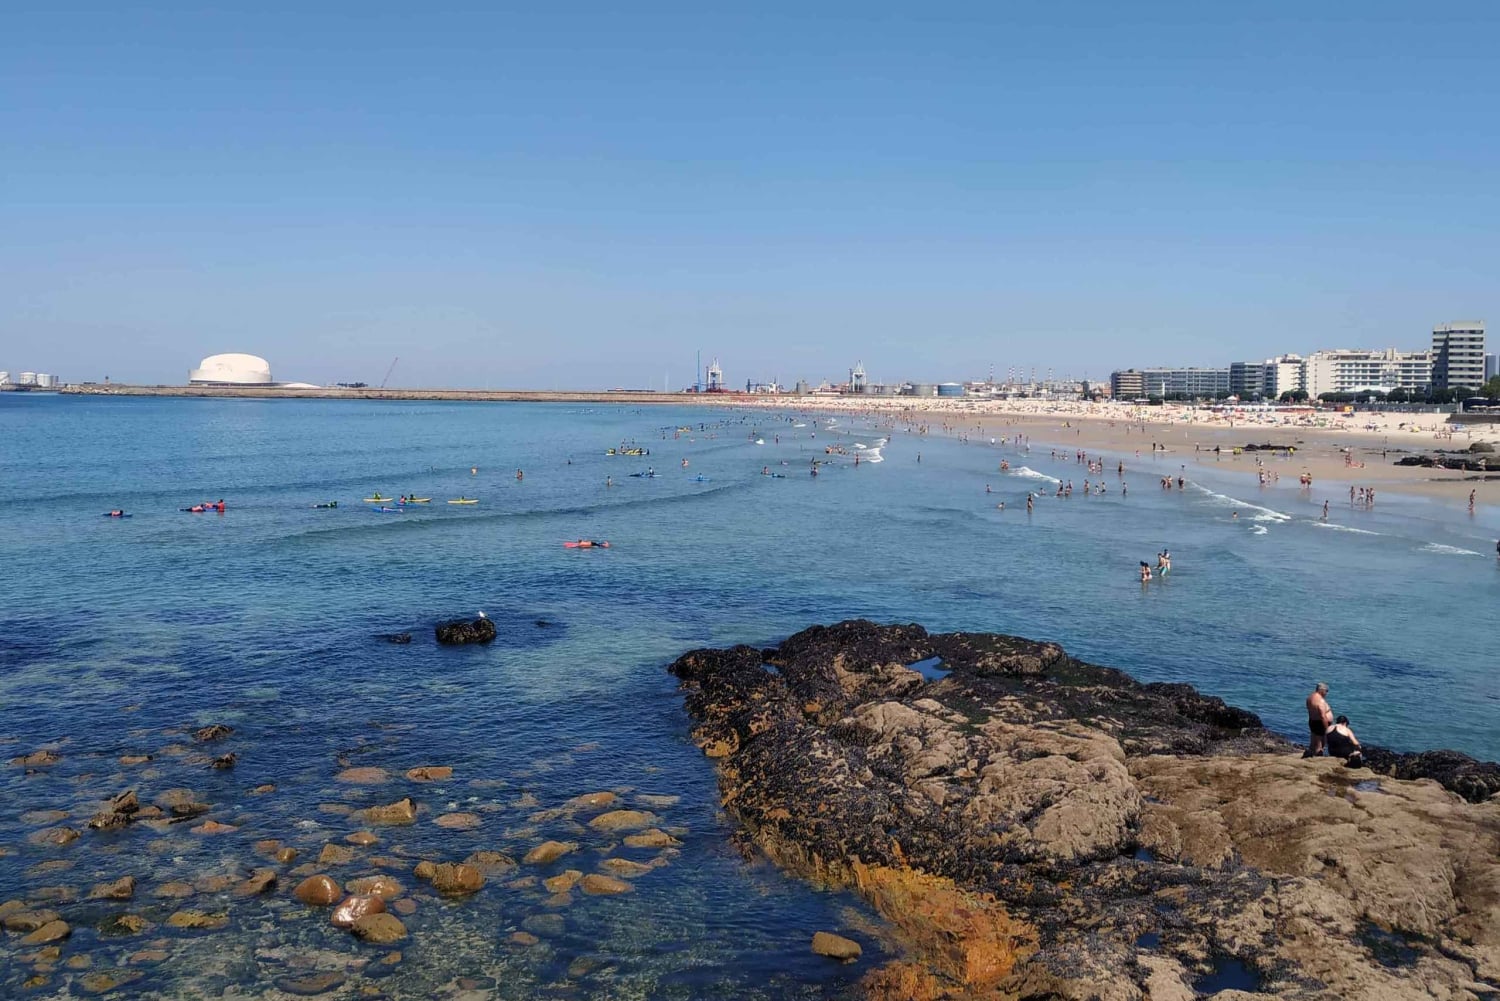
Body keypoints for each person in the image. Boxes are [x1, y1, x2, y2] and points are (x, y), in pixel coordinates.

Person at [1304, 683, 1334, 757]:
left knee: (1313, 743)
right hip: (1320, 724)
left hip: (1312, 721)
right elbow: (1323, 716)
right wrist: (1327, 729)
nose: (1327, 693)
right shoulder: (1320, 700)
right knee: (1319, 745)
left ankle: (1310, 755)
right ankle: (1317, 760)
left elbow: (1310, 711)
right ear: (1321, 690)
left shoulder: (1310, 697)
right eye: (1326, 691)